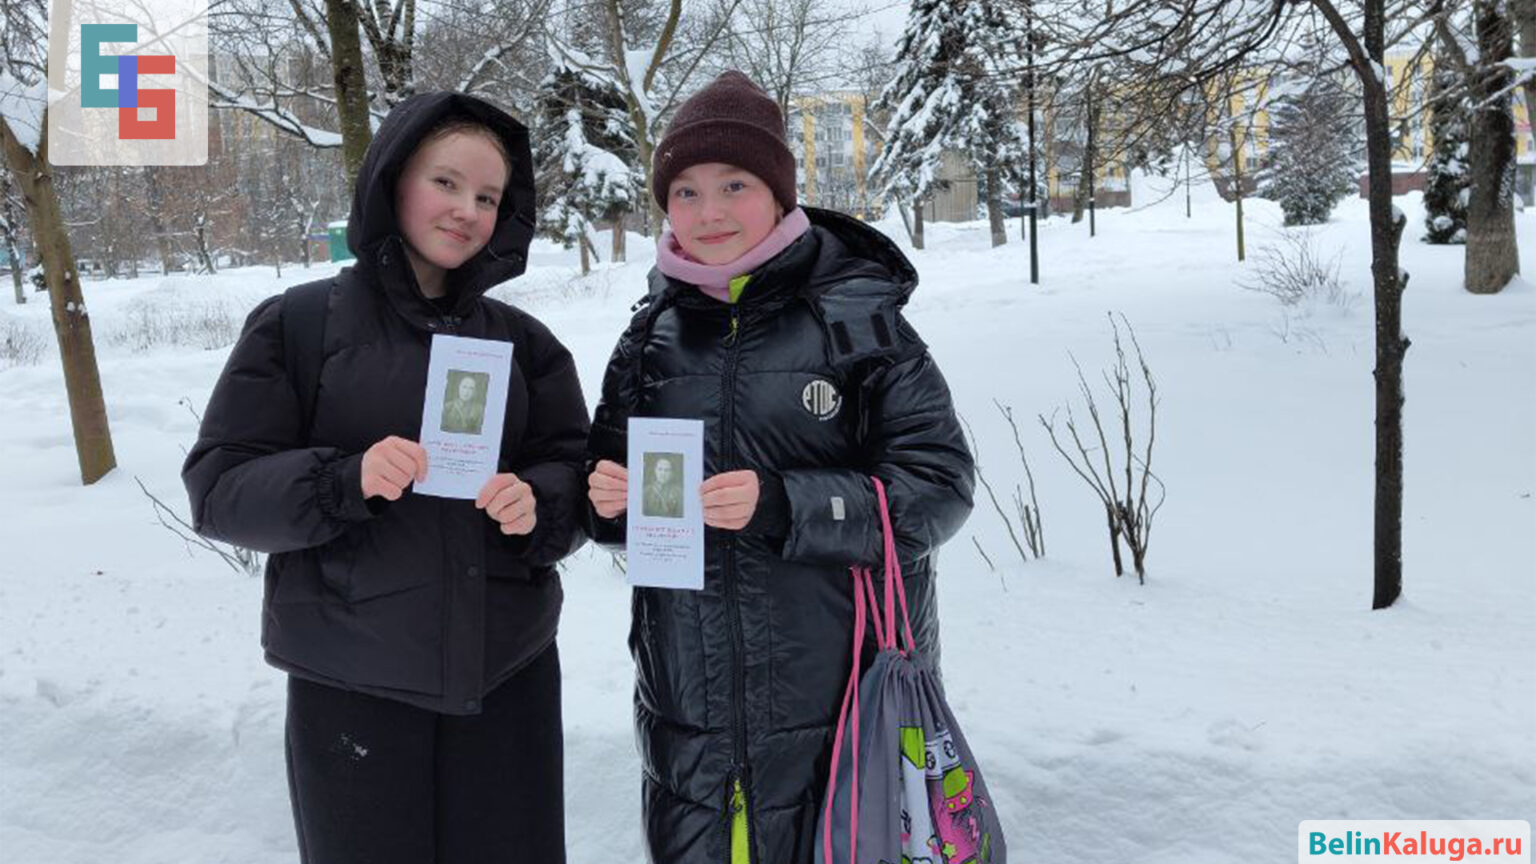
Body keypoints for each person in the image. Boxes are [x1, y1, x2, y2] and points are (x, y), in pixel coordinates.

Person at [182, 92, 589, 864]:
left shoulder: (526, 345)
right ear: (393, 180)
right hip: (352, 686)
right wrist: (343, 480)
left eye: (488, 197)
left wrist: (538, 503)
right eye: (446, 183)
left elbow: (573, 473)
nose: (467, 210)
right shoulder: (298, 325)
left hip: (508, 679)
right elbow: (220, 492)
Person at [585, 71, 975, 864]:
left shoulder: (858, 320)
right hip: (688, 719)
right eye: (686, 192)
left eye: (734, 185)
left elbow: (940, 486)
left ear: (779, 193)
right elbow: (613, 486)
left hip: (843, 705)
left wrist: (788, 505)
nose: (710, 212)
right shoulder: (649, 338)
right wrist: (605, 501)